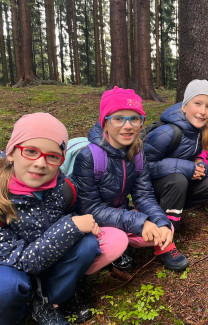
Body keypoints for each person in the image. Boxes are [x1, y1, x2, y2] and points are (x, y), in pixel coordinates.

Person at [72, 86, 189, 272]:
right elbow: (90, 208)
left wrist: (160, 222)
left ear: (141, 123)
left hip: (120, 215)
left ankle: (141, 244)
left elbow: (143, 195)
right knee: (118, 240)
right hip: (91, 223)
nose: (127, 126)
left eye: (134, 119)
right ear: (105, 123)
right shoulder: (88, 157)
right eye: (118, 119)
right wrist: (138, 222)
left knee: (165, 227)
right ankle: (103, 258)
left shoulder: (136, 152)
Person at [0, 113, 100, 325]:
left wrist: (83, 224)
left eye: (52, 156)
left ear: (61, 161)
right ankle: (17, 314)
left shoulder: (64, 187)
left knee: (89, 244)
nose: (40, 163)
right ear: (11, 152)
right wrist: (70, 226)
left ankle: (46, 301)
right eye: (30, 151)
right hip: (14, 269)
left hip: (47, 260)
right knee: (6, 287)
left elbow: (79, 213)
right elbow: (21, 261)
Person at [143, 80, 208, 231]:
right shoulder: (167, 132)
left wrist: (199, 166)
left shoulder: (199, 131)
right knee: (178, 180)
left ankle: (171, 209)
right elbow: (144, 167)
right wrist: (185, 168)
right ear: (184, 106)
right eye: (197, 103)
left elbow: (198, 155)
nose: (203, 111)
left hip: (174, 183)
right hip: (150, 187)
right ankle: (165, 228)